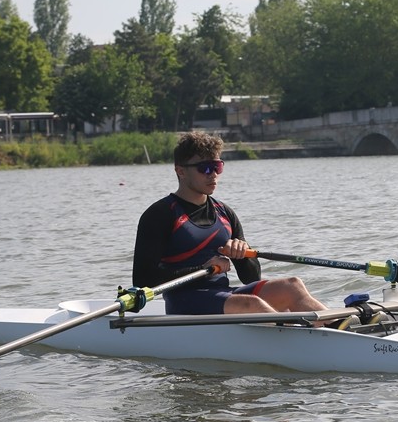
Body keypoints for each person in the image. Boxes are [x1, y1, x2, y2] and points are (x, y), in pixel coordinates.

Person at [133, 131, 328, 316]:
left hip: (222, 296)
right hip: (184, 302)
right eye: (205, 168)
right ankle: (302, 338)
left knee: (292, 285)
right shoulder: (160, 214)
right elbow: (143, 280)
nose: (213, 174)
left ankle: (339, 326)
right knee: (252, 304)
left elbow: (251, 278)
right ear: (181, 171)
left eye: (217, 167)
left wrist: (242, 255)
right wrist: (202, 269)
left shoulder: (225, 213)